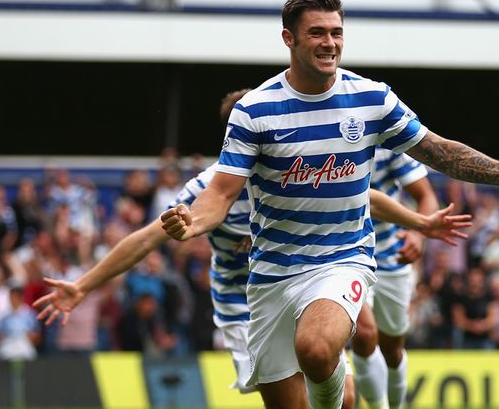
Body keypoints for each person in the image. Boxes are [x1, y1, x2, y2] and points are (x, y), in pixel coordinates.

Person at [160, 0, 499, 408]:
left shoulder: (372, 99)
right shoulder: (255, 110)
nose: (329, 43)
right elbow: (220, 194)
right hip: (271, 274)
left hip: (342, 257)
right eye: (316, 33)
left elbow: (439, 151)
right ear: (288, 39)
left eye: (336, 32)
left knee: (316, 348)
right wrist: (192, 221)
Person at [34, 88, 472, 403]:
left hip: (310, 277)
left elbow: (365, 196)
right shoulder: (207, 190)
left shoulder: (293, 165)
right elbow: (145, 239)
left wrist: (420, 224)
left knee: (343, 367)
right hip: (246, 307)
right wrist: (83, 285)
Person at [351, 147, 438, 409]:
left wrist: (418, 235)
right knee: (364, 334)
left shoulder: (389, 145)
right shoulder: (324, 136)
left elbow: (426, 197)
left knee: (392, 350)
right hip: (347, 255)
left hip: (391, 256)